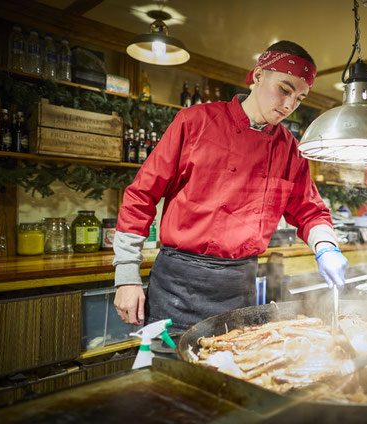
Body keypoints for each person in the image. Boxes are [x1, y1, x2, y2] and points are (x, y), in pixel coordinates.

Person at [113, 41, 348, 331]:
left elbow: (310, 211)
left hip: (239, 287)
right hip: (177, 285)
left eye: (299, 98)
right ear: (259, 76)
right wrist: (126, 275)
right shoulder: (194, 122)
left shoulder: (290, 150)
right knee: (166, 373)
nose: (289, 105)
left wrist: (326, 246)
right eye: (284, 90)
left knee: (231, 371)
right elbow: (141, 195)